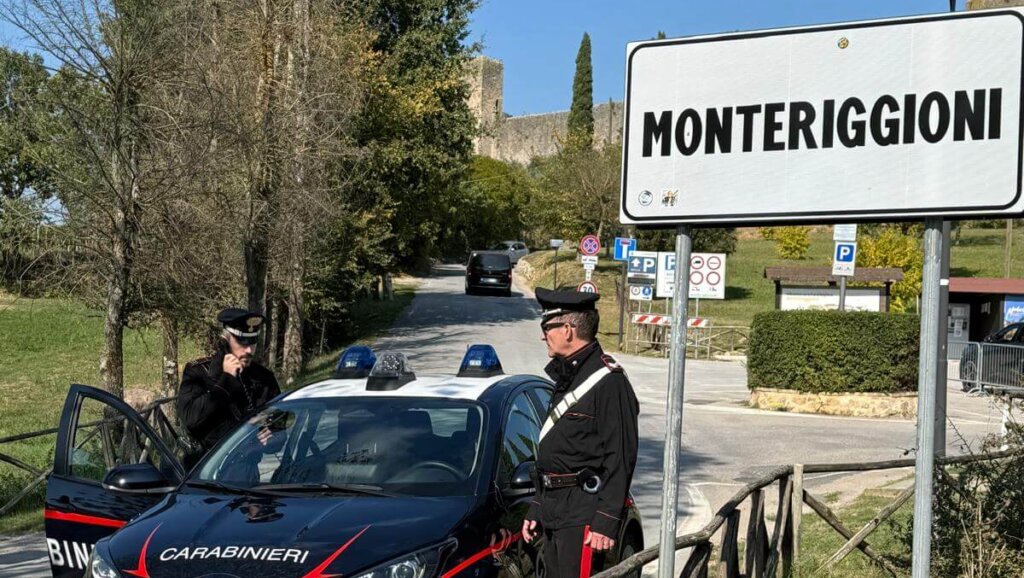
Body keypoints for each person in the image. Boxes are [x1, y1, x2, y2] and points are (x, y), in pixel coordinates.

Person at [521, 288, 640, 578]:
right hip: (555, 508)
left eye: (547, 328)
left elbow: (620, 456)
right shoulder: (569, 375)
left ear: (568, 329)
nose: (543, 336)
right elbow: (559, 454)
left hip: (582, 514)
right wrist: (537, 506)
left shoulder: (609, 382)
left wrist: (606, 521)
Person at [177, 308, 281, 469]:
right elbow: (191, 419)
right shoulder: (199, 373)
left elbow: (279, 430)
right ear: (225, 340)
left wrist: (272, 438)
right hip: (203, 470)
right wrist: (226, 381)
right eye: (242, 342)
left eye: (252, 342)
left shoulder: (264, 378)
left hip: (246, 471)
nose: (249, 350)